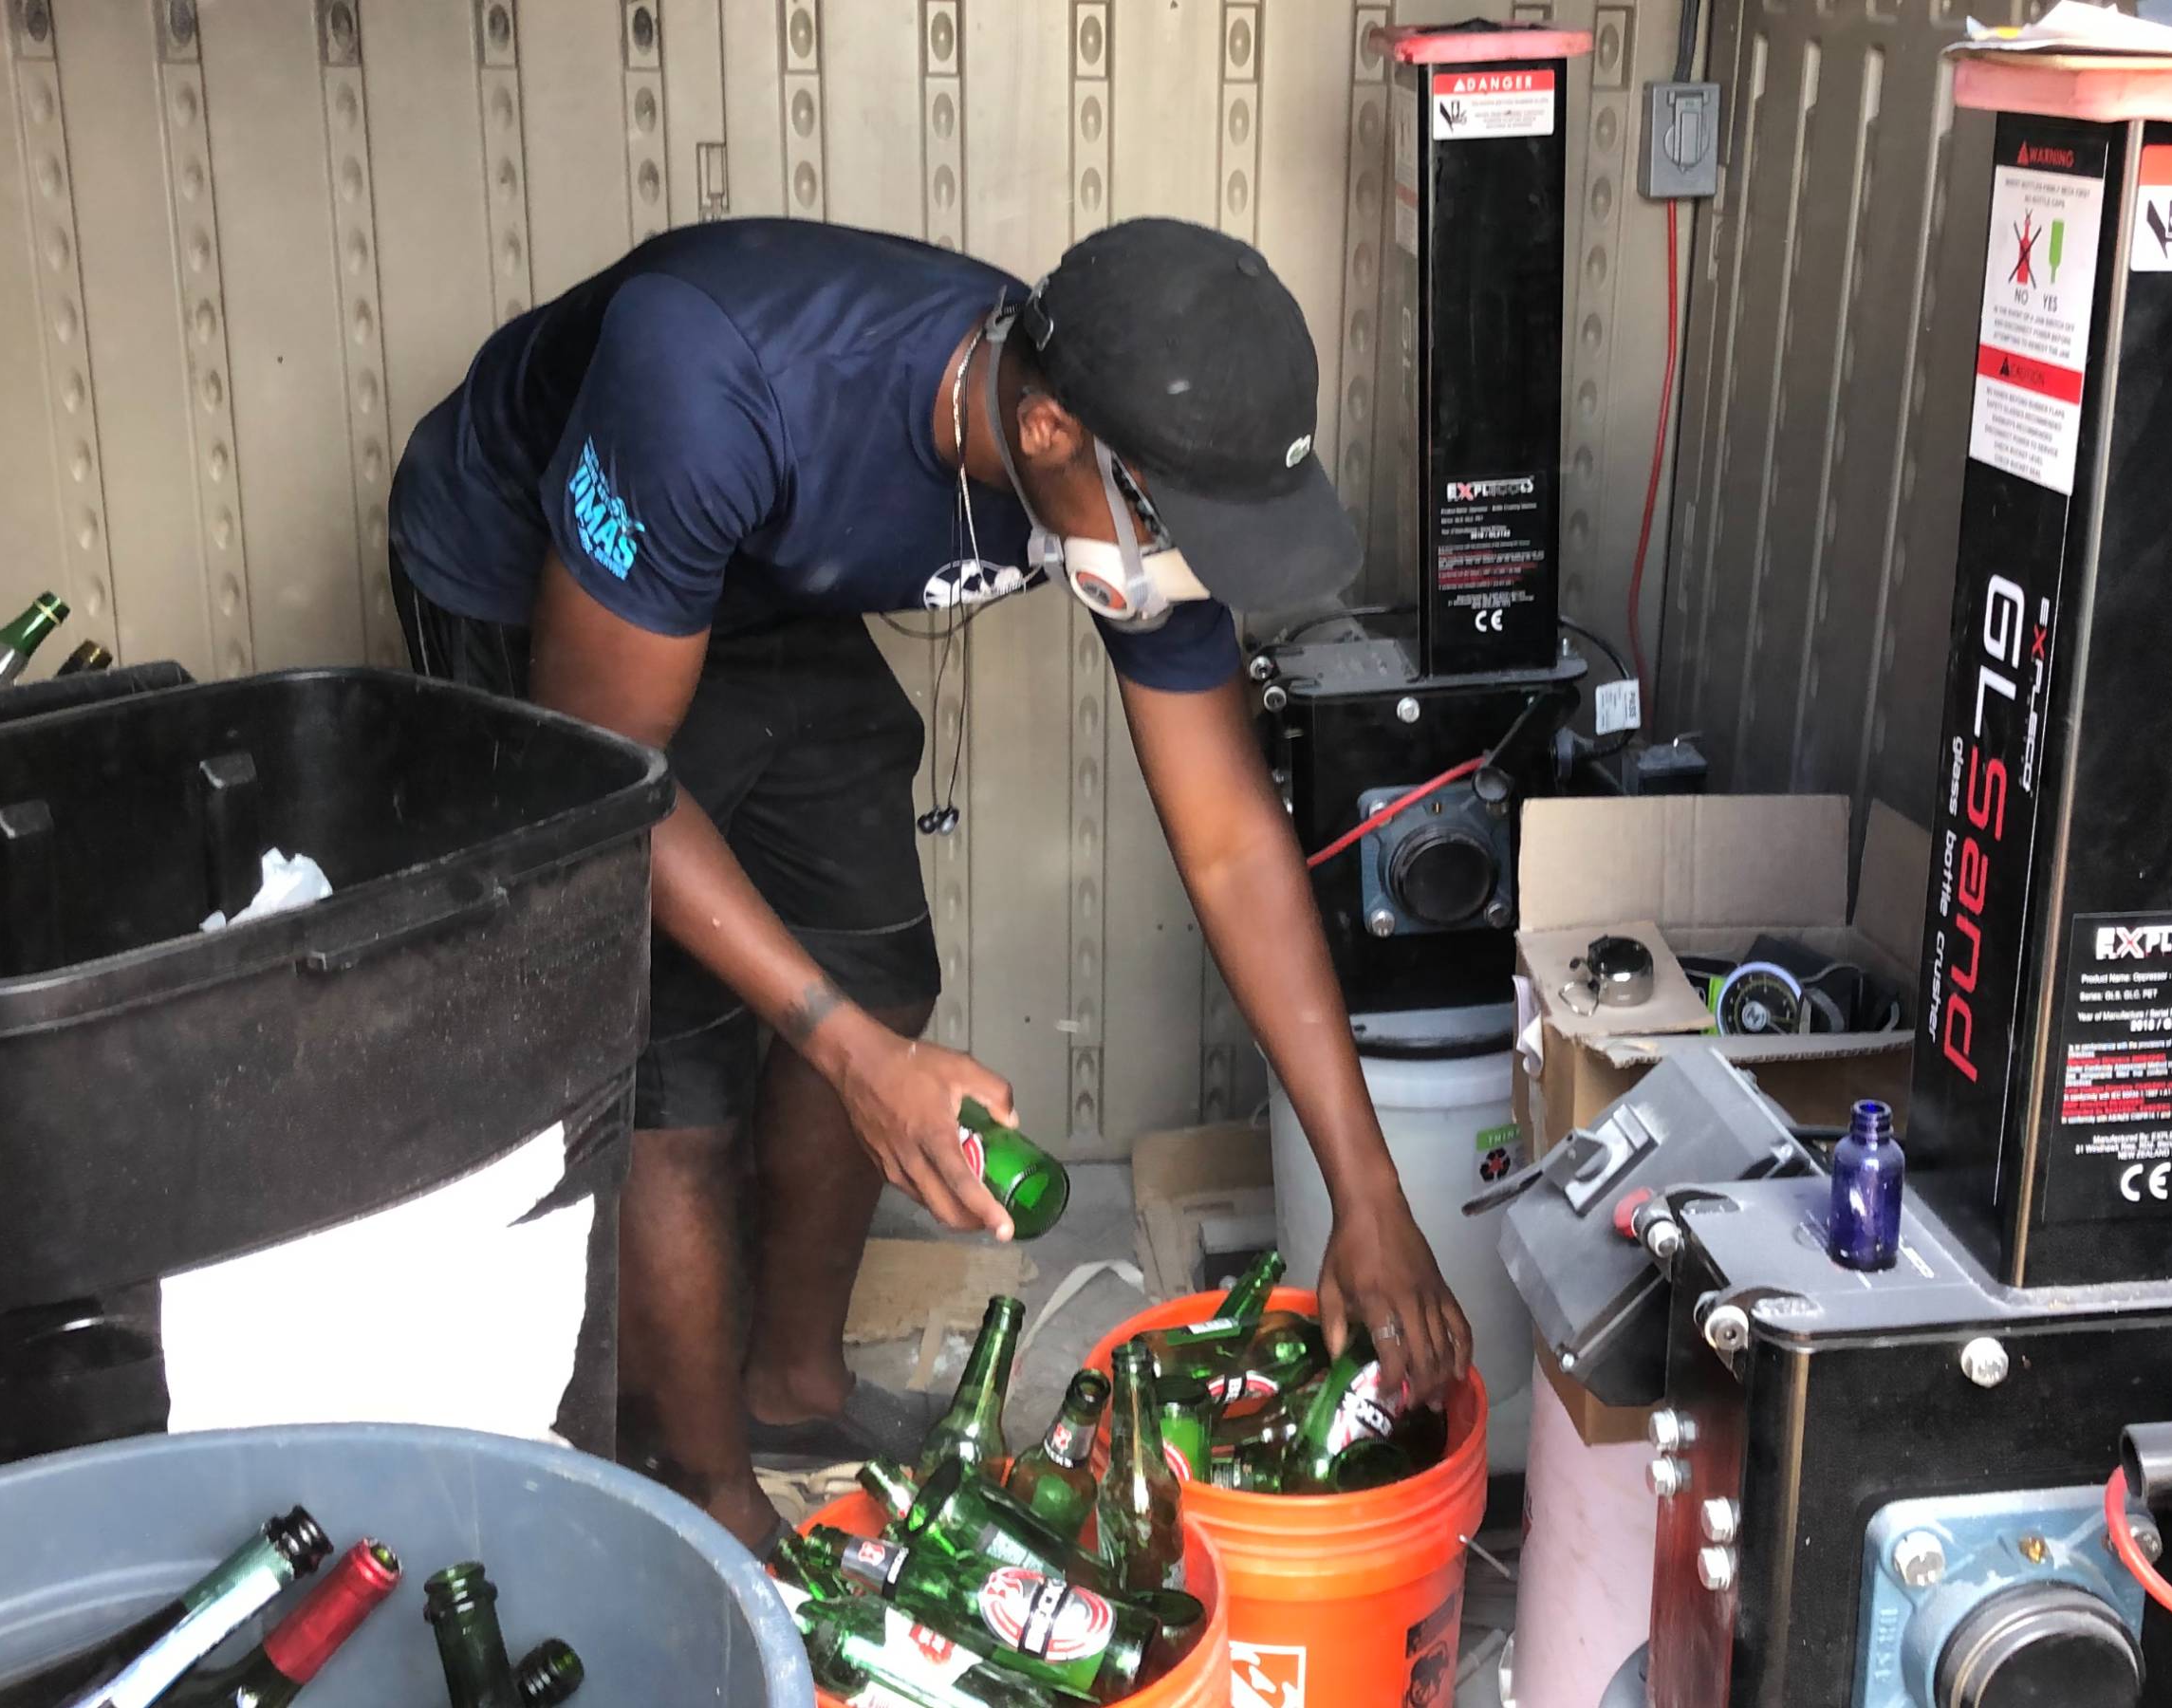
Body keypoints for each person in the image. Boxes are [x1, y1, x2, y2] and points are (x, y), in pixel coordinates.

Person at [387, 214, 1471, 1549]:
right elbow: (609, 799)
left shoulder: (1128, 449)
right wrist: (844, 1057)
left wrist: (1368, 1194)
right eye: (1186, 528)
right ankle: (714, 1503)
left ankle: (792, 1389)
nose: (1191, 577)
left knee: (880, 972)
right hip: (536, 570)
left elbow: (1234, 840)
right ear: (1055, 433)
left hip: (760, 579)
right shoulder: (719, 377)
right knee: (671, 1071)